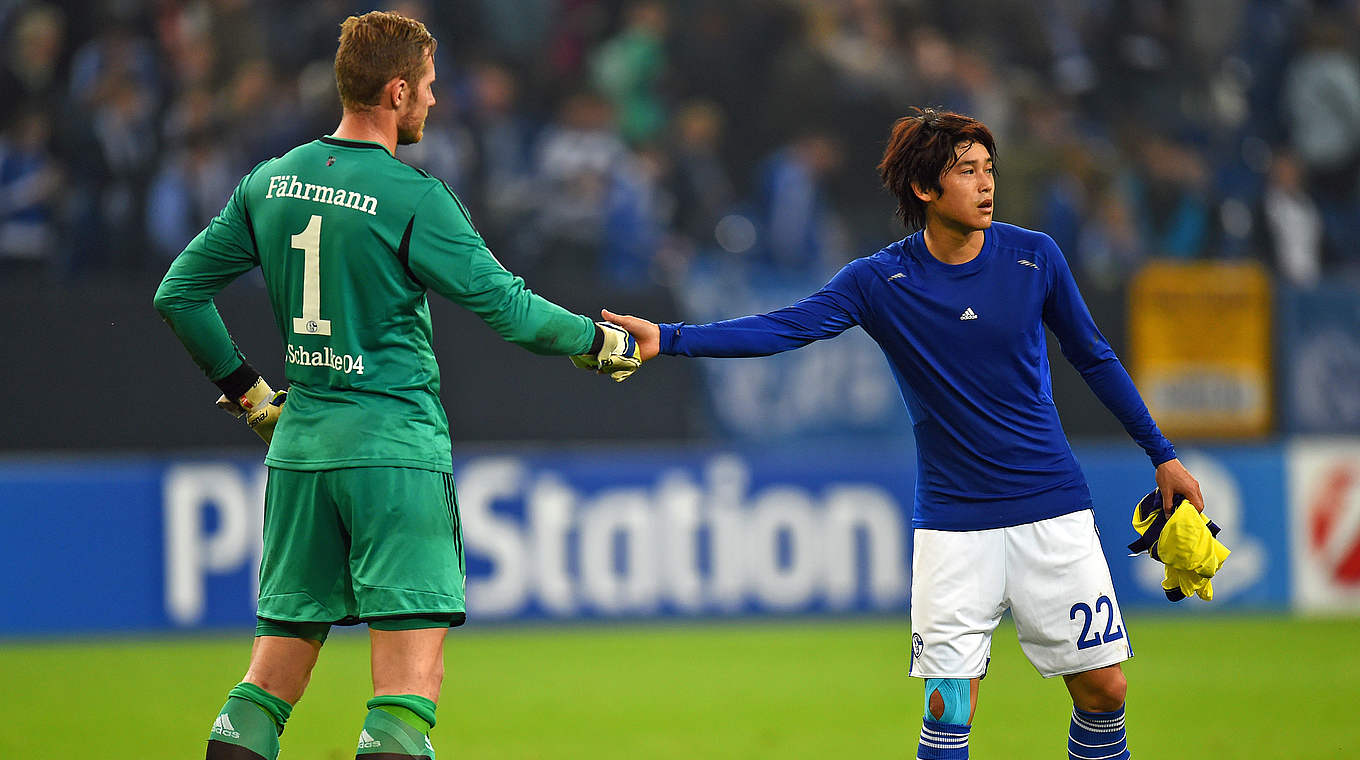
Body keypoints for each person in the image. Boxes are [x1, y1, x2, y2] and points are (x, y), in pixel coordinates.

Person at [601, 108, 1204, 760]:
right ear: (924, 189)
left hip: (1051, 507)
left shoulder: (1035, 257)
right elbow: (785, 328)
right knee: (948, 705)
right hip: (953, 523)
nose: (986, 184)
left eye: (988, 169)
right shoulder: (878, 281)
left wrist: (1161, 455)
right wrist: (670, 338)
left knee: (1105, 691)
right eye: (967, 171)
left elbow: (1094, 357)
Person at [152, 11, 639, 760]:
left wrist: (252, 395)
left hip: (302, 453)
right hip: (393, 454)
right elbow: (511, 313)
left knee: (265, 687)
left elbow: (179, 294)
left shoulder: (269, 181)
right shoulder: (413, 198)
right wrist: (599, 343)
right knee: (406, 695)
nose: (437, 103)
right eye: (431, 89)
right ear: (399, 90)